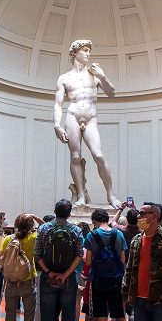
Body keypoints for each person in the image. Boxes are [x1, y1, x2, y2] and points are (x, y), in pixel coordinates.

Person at [53, 39, 120, 208]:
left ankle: (111, 195)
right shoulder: (64, 78)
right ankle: (81, 195)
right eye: (84, 50)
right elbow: (58, 104)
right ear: (75, 53)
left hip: (91, 118)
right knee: (75, 157)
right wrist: (57, 125)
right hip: (73, 116)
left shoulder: (94, 75)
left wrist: (102, 76)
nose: (88, 53)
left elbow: (111, 93)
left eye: (89, 50)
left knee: (98, 155)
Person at [35, 199, 84, 321]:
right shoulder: (76, 230)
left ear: (55, 212)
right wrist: (65, 275)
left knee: (47, 317)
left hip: (48, 277)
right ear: (69, 214)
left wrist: (49, 272)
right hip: (68, 278)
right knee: (69, 317)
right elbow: (79, 255)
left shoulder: (44, 228)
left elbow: (37, 254)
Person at [84, 208, 129, 321]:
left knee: (101, 318)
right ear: (107, 220)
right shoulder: (118, 234)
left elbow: (87, 263)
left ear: (94, 221)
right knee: (121, 318)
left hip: (98, 280)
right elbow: (123, 259)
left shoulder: (91, 236)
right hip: (117, 279)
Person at [1, 214, 45, 321]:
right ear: (30, 226)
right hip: (28, 280)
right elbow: (45, 226)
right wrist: (35, 216)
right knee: (29, 320)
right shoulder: (33, 238)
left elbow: (1, 259)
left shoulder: (8, 239)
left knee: (9, 320)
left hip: (11, 281)